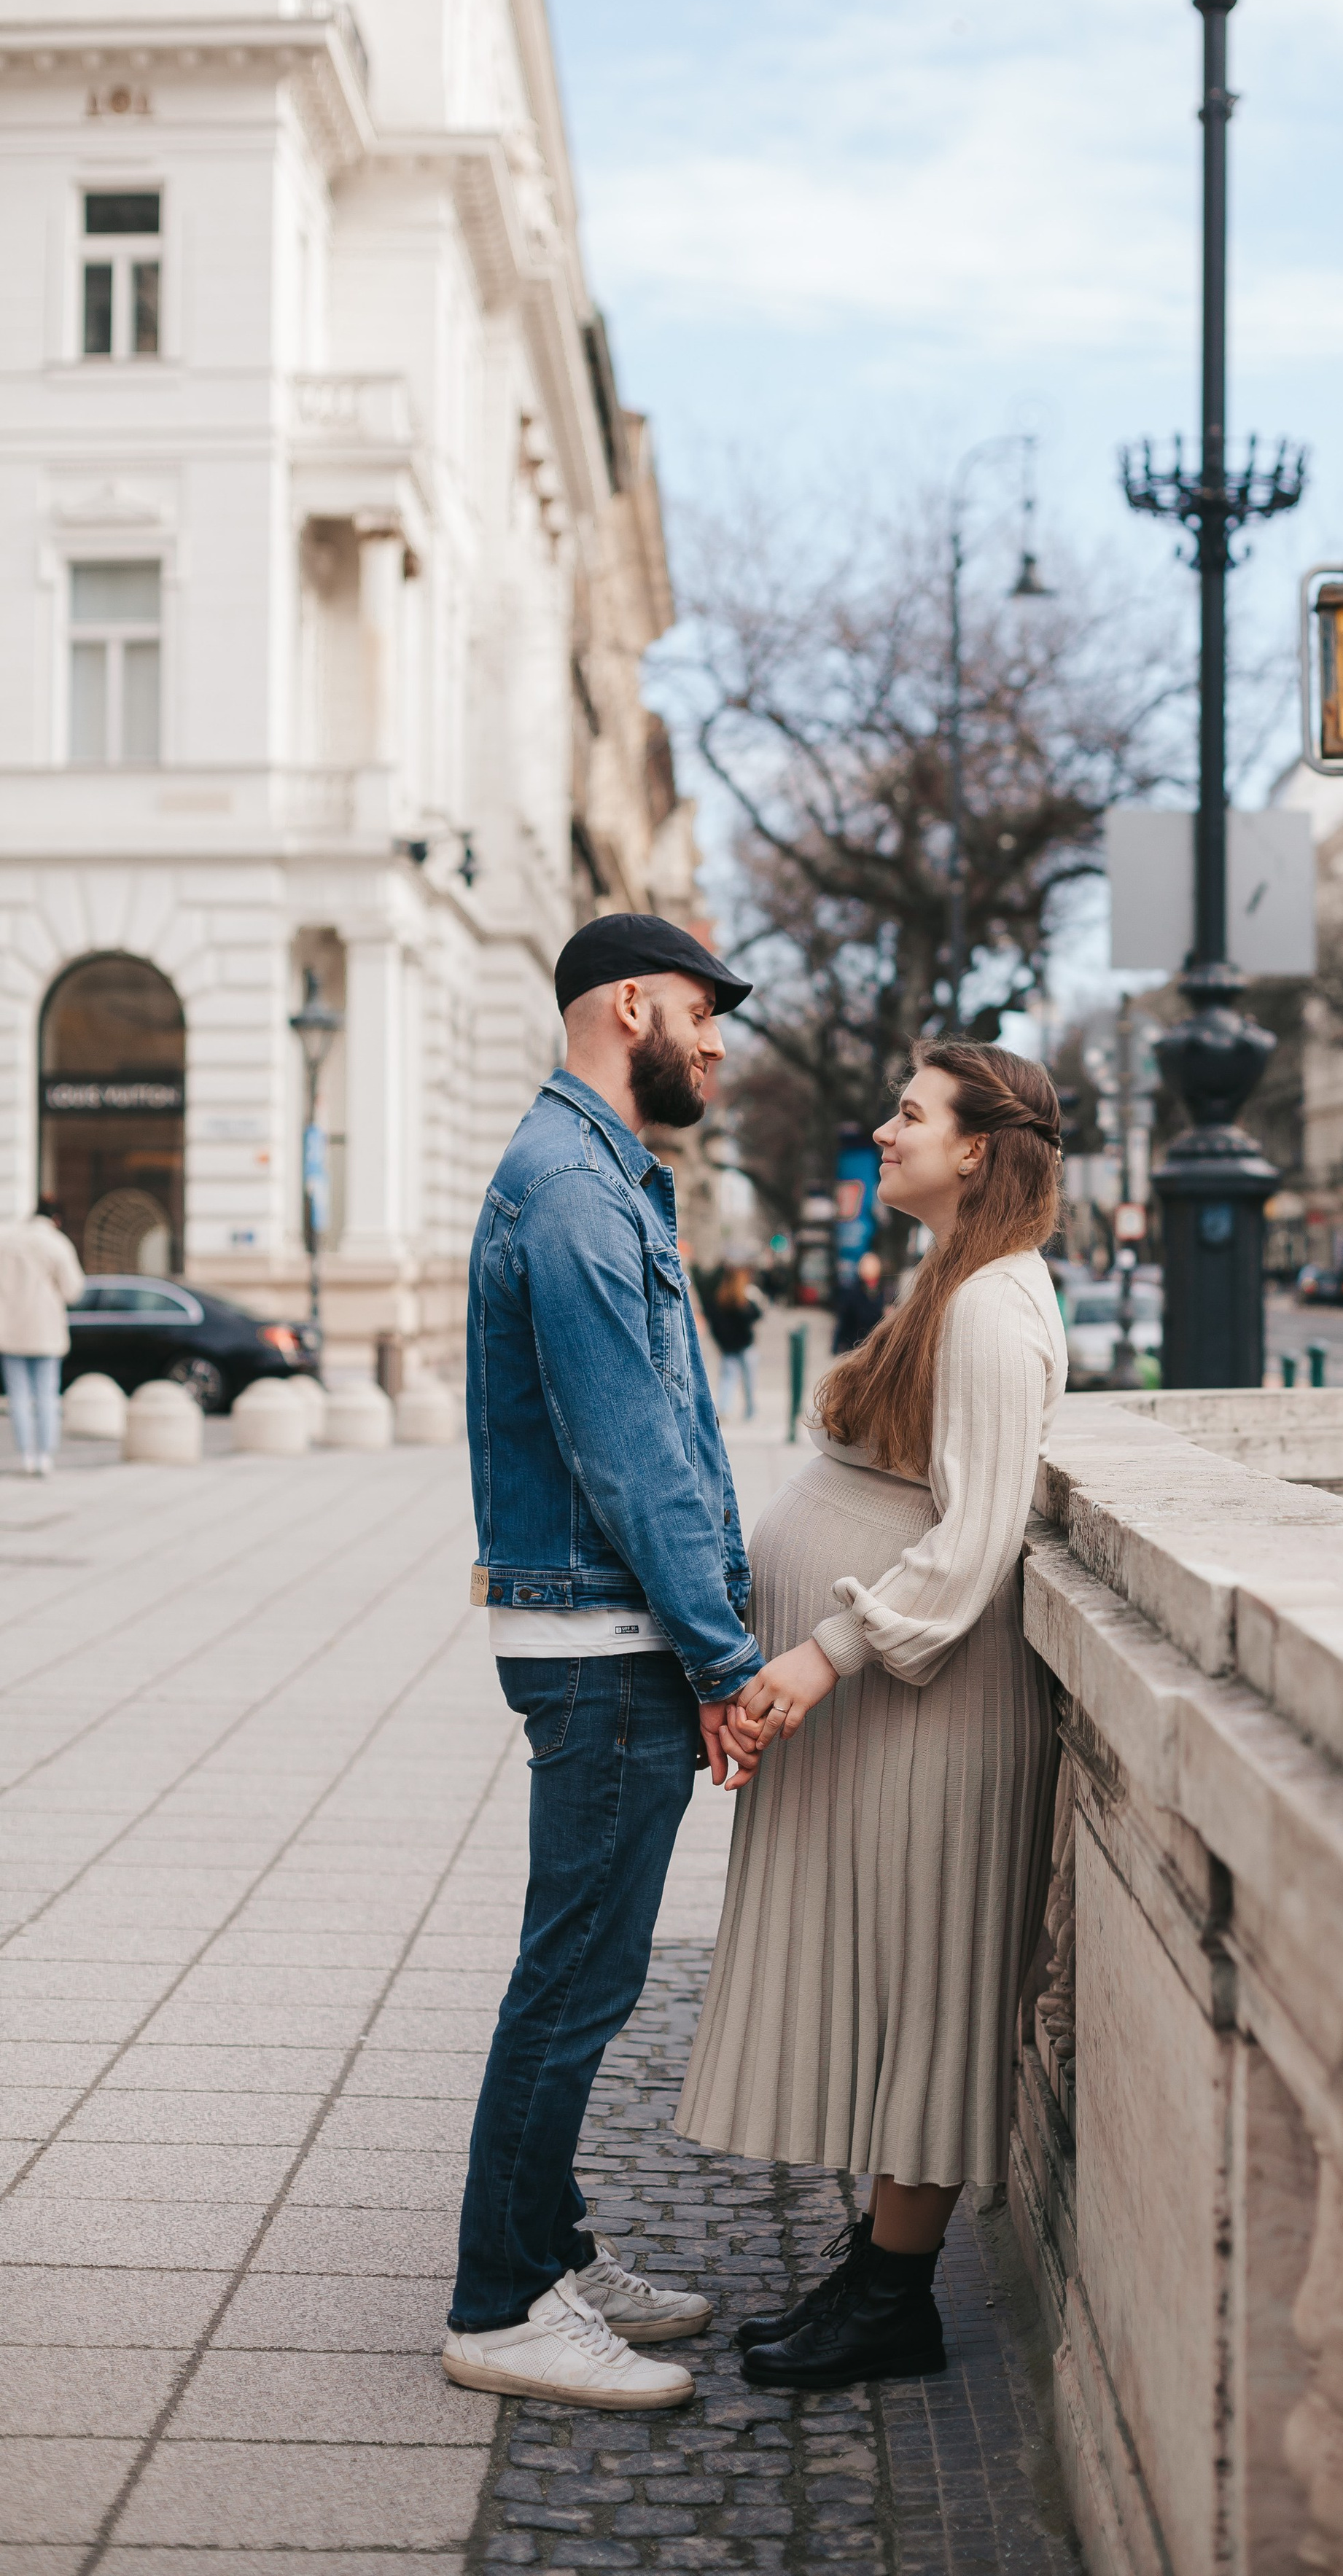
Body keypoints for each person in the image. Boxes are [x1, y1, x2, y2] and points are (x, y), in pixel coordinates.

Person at [676, 1040, 1068, 2389]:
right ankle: (879, 2272)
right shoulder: (956, 1279)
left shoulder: (994, 1308)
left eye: (909, 1115)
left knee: (934, 1986)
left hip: (936, 1704)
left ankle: (896, 2300)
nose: (884, 1133)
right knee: (900, 1978)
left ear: (976, 1149)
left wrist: (826, 1652)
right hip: (906, 1710)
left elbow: (978, 1536)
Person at [442, 913, 768, 2417]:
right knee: (572, 1982)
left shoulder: (594, 1171)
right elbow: (632, 1452)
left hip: (608, 1629)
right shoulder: (574, 1186)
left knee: (587, 1969)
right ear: (630, 1006)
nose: (717, 1043)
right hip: (602, 1640)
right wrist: (722, 1656)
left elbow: (659, 1438)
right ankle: (501, 2305)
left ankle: (553, 2249)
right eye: (704, 1013)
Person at [0, 1202, 84, 1478]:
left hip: (11, 1329)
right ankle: (45, 1456)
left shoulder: (6, 1241)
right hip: (45, 1330)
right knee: (47, 1395)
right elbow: (73, 1291)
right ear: (55, 1219)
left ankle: (26, 1456)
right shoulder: (57, 1244)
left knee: (19, 1397)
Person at [707, 1265, 763, 1421]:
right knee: (749, 1380)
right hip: (745, 1345)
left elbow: (714, 1326)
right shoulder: (742, 1301)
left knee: (728, 1379)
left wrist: (720, 1343)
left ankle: (725, 1409)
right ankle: (750, 1411)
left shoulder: (719, 1299)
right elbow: (756, 1316)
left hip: (729, 1347)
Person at [830, 1246, 886, 1355]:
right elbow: (844, 1321)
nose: (869, 1270)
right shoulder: (853, 1293)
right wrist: (837, 1346)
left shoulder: (886, 1292)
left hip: (879, 1349)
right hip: (856, 1348)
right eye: (866, 1266)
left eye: (872, 1266)